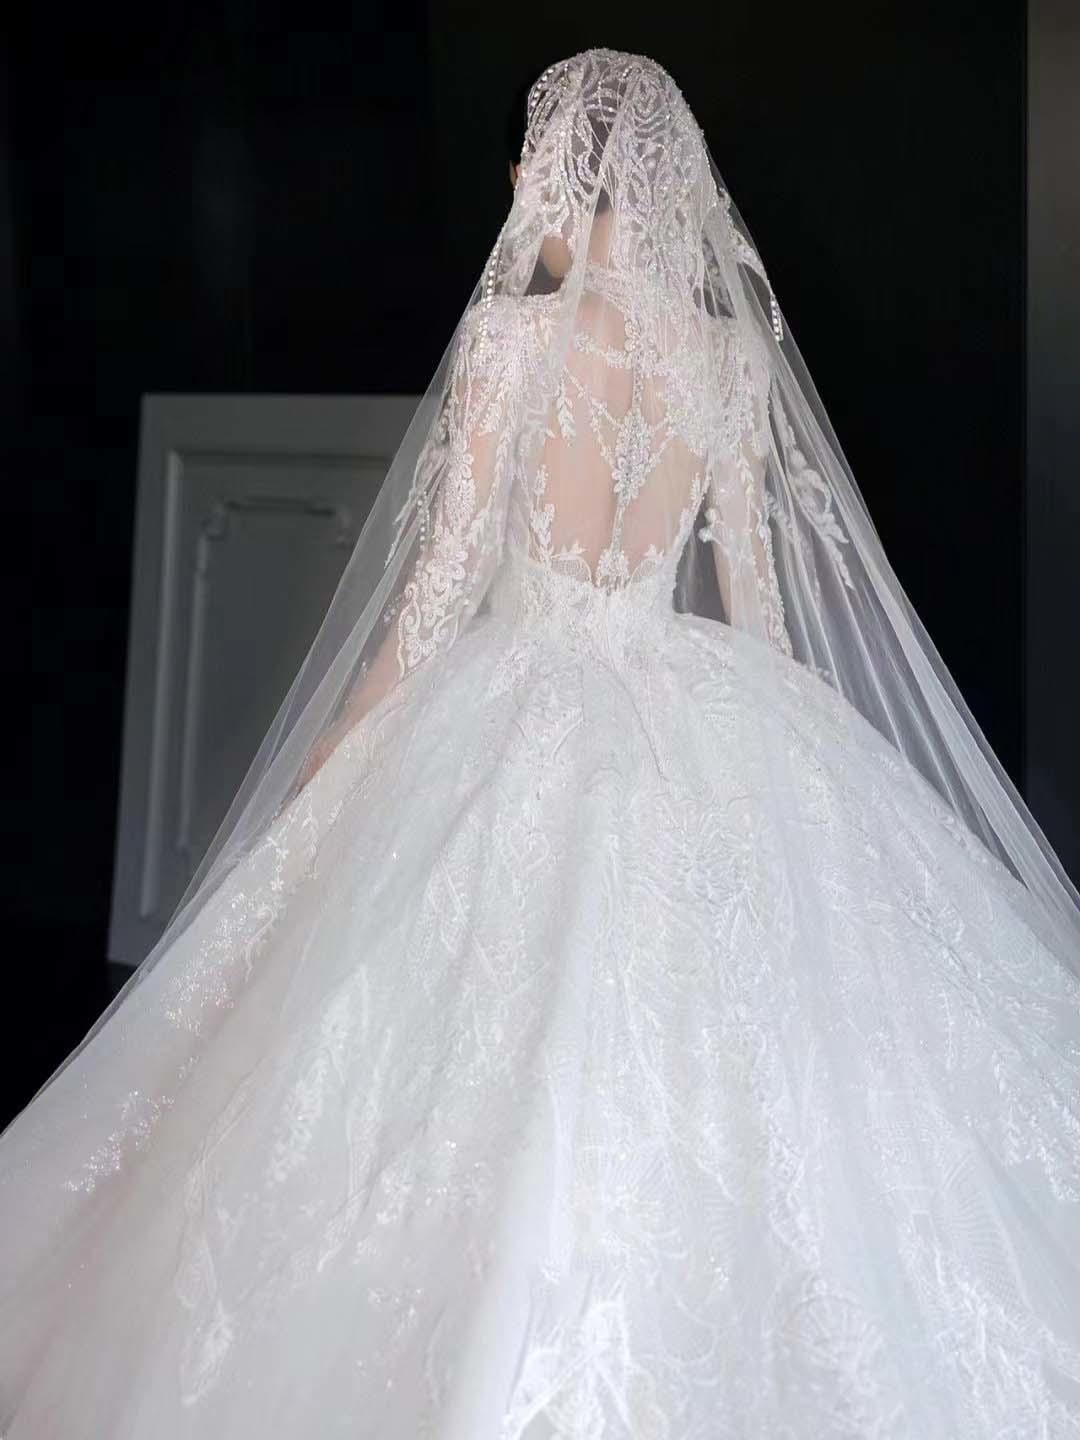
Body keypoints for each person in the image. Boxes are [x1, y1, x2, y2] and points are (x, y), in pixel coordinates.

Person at [2, 47, 1079, 1439]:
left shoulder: (513, 344)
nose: (518, 184)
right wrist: (784, 769)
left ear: (574, 173)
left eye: (533, 158)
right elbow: (756, 604)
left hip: (514, 699)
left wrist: (329, 765)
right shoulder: (731, 355)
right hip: (696, 696)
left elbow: (439, 593)